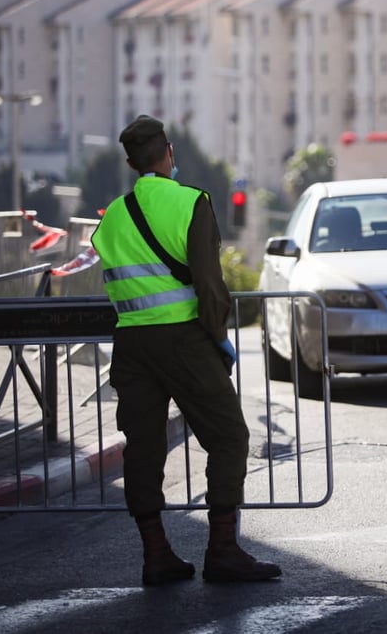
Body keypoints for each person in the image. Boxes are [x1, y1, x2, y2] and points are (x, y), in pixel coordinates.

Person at [91, 115, 282, 585]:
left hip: (132, 345)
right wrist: (219, 338)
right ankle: (222, 549)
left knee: (144, 447)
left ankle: (155, 554)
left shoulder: (113, 214)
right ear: (169, 153)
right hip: (184, 339)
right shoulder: (191, 202)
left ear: (133, 162)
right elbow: (209, 285)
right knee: (228, 436)